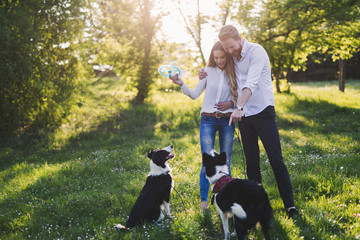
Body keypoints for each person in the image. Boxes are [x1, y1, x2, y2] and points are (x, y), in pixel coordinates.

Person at [199, 25, 299, 218]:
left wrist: (239, 107)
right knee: (252, 164)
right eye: (226, 49)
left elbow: (250, 83)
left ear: (239, 38)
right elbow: (221, 74)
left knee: (276, 160)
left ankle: (290, 207)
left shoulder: (256, 51)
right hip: (244, 116)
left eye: (231, 47)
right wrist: (204, 72)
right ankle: (257, 206)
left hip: (262, 112)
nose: (229, 52)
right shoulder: (231, 57)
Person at [169, 41, 238, 212]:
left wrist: (231, 102)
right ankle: (204, 202)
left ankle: (224, 199)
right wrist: (181, 84)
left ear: (227, 56)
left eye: (222, 57)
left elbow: (241, 95)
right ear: (212, 57)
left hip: (227, 120)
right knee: (206, 160)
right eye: (216, 57)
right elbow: (194, 94)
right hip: (207, 120)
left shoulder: (235, 72)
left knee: (226, 160)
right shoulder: (207, 71)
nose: (220, 60)